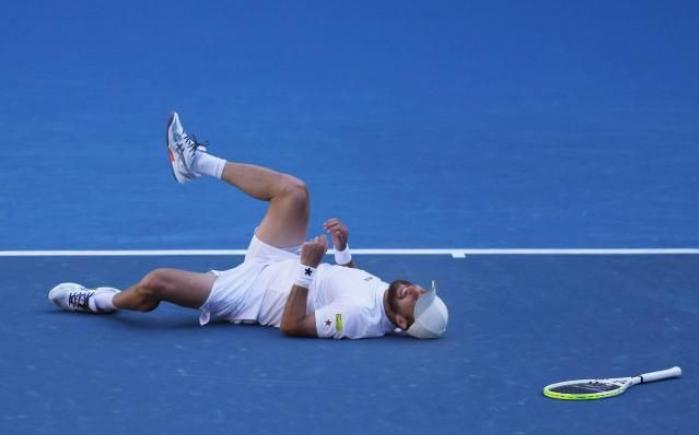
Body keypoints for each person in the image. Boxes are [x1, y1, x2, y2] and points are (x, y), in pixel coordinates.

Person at [48, 112, 449, 339]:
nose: (414, 289)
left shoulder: (360, 321)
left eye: (417, 301)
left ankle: (98, 301)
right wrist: (342, 251)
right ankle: (195, 162)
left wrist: (309, 267)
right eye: (421, 290)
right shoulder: (383, 296)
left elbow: (293, 326)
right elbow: (353, 284)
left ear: (401, 322)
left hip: (253, 294)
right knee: (294, 191)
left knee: (156, 283)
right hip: (282, 260)